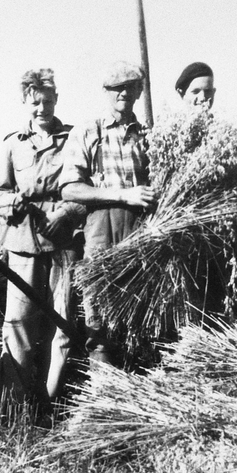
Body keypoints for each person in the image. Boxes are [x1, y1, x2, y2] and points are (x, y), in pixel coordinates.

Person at [0, 69, 86, 416]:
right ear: (25, 103)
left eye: (47, 101)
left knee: (63, 324)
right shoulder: (13, 144)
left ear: (56, 100)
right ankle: (12, 407)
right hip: (23, 243)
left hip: (65, 245)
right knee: (18, 325)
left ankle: (50, 402)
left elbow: (87, 189)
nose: (41, 108)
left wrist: (69, 212)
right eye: (35, 102)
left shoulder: (75, 139)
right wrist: (11, 204)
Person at [59, 61, 155, 363]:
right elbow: (70, 188)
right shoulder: (90, 130)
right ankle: (104, 390)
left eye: (130, 86)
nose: (123, 93)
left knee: (138, 308)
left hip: (141, 229)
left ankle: (133, 386)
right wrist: (122, 195)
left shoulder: (150, 134)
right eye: (116, 88)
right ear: (106, 91)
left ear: (139, 90)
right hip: (101, 228)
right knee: (99, 312)